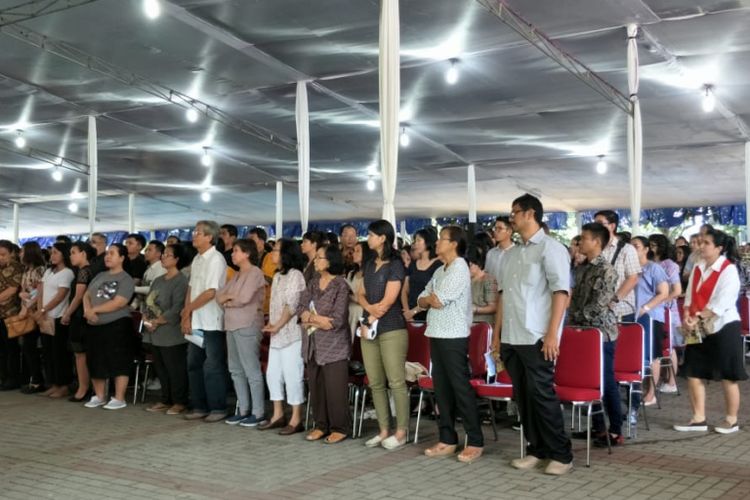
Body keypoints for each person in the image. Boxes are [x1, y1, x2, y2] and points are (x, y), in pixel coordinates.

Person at [493, 194, 573, 475]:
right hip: (512, 337)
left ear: (529, 214)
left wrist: (553, 335)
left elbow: (561, 292)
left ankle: (561, 455)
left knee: (542, 396)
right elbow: (503, 297)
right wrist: (496, 337)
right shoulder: (512, 254)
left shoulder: (551, 249)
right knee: (523, 397)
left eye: (514, 212)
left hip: (537, 336)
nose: (510, 217)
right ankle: (536, 449)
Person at [418, 226, 484, 463]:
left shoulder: (459, 268)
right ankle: (447, 438)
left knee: (460, 388)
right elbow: (423, 297)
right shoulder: (440, 270)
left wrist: (429, 299)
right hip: (436, 333)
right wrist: (427, 300)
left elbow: (436, 300)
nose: (436, 243)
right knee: (442, 389)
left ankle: (475, 440)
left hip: (454, 336)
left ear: (454, 243)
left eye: (441, 239)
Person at [674, 229, 748, 434]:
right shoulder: (698, 267)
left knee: (727, 374)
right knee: (693, 371)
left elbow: (722, 303)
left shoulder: (728, 270)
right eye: (699, 242)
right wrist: (687, 316)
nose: (700, 246)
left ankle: (731, 420)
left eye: (706, 243)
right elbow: (688, 297)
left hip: (724, 326)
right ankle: (698, 418)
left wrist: (696, 317)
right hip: (697, 326)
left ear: (719, 247)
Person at [567, 223, 623, 447]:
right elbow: (575, 298)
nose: (580, 242)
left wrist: (577, 320)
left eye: (584, 238)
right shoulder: (581, 268)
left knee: (606, 381)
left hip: (601, 333)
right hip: (582, 331)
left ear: (597, 242)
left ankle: (616, 430)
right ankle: (598, 427)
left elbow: (599, 305)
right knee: (589, 380)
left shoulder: (607, 270)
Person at [358, 220, 409, 450]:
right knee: (376, 382)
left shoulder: (395, 263)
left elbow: (389, 300)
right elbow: (360, 293)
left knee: (396, 381)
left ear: (383, 238)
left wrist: (374, 313)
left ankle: (401, 431)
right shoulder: (369, 263)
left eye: (371, 235)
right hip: (369, 326)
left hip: (391, 327)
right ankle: (383, 429)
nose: (367, 238)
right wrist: (369, 311)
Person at [296, 244, 352, 444]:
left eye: (320, 257)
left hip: (334, 346)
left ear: (331, 261)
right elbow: (300, 308)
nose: (315, 261)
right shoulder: (312, 283)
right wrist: (316, 319)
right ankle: (321, 425)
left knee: (334, 389)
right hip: (312, 343)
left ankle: (340, 427)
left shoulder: (340, 285)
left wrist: (310, 319)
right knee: (316, 387)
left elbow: (337, 320)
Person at [182, 220, 229, 422]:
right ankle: (199, 406)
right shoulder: (197, 259)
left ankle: (218, 407)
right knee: (193, 364)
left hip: (212, 321)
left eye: (198, 232)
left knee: (213, 366)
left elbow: (211, 292)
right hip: (196, 320)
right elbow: (191, 289)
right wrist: (186, 314)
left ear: (210, 237)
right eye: (194, 232)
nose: (194, 235)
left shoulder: (216, 259)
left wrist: (188, 309)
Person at [216, 240, 267, 427]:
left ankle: (258, 411)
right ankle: (243, 409)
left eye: (236, 251)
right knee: (235, 370)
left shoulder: (255, 273)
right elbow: (218, 296)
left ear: (247, 253)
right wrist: (229, 299)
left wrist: (228, 299)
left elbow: (244, 299)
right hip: (231, 324)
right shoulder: (237, 275)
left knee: (251, 369)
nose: (232, 254)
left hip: (247, 325)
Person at [260, 239, 307, 435]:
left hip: (291, 334)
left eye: (277, 250)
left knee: (292, 376)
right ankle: (277, 414)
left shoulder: (296, 275)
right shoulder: (278, 275)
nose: (273, 253)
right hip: (277, 333)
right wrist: (273, 325)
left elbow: (292, 305)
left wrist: (277, 325)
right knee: (273, 374)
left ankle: (296, 418)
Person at [82, 244, 135, 410]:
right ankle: (99, 395)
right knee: (95, 359)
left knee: (118, 360)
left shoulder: (126, 278)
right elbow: (86, 295)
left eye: (112, 253)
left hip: (117, 325)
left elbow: (119, 302)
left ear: (122, 258)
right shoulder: (100, 275)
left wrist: (94, 310)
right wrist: (87, 311)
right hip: (95, 324)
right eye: (106, 253)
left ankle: (119, 398)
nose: (107, 256)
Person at [143, 244, 190, 415]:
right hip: (154, 332)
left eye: (168, 255)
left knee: (175, 368)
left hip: (171, 332)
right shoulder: (158, 280)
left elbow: (177, 307)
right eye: (163, 254)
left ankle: (180, 401)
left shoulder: (181, 280)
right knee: (161, 368)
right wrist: (147, 318)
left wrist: (157, 321)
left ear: (177, 259)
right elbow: (148, 301)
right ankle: (165, 399)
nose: (163, 257)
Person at [631, 236, 669, 409]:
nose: (632, 249)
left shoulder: (654, 268)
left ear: (646, 249)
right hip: (632, 318)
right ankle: (636, 389)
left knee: (653, 356)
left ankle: (651, 393)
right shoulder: (629, 268)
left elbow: (663, 292)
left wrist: (645, 308)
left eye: (636, 246)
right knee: (636, 355)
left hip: (651, 317)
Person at [34, 243, 75, 398]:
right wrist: (40, 309)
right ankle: (53, 383)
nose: (52, 256)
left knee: (59, 353)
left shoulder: (67, 273)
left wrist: (44, 310)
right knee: (48, 352)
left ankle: (63, 385)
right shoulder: (49, 271)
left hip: (58, 316)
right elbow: (41, 290)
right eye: (52, 253)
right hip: (45, 316)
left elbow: (61, 295)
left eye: (56, 253)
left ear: (63, 254)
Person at [61, 242, 96, 402]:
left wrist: (67, 313)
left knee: (80, 355)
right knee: (83, 354)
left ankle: (83, 388)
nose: (71, 256)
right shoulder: (91, 270)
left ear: (84, 254)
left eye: (74, 252)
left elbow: (78, 296)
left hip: (80, 316)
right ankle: (87, 387)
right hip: (85, 316)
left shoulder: (84, 271)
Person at [648, 233, 683, 393]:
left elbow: (677, 290)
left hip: (667, 309)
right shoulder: (649, 263)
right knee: (661, 345)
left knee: (669, 346)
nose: (651, 248)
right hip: (655, 309)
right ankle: (663, 377)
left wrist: (661, 300)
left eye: (654, 245)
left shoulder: (669, 265)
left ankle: (671, 380)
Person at [594, 210, 641, 323]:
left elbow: (633, 278)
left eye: (600, 223)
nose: (595, 227)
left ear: (612, 226)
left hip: (621, 310)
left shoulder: (626, 249)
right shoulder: (594, 249)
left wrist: (613, 301)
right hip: (596, 311)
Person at [18, 242, 47, 394]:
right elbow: (24, 289)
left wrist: (27, 306)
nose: (20, 254)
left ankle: (37, 380)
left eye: (22, 251)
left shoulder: (40, 270)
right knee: (27, 347)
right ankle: (33, 378)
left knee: (31, 346)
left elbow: (39, 292)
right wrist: (22, 297)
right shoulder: (26, 270)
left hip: (36, 312)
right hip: (27, 310)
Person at [401, 228, 441, 323]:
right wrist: (407, 311)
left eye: (419, 240)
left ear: (428, 242)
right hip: (410, 315)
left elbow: (435, 294)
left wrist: (413, 311)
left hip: (429, 315)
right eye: (415, 240)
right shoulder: (413, 264)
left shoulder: (438, 265)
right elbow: (405, 290)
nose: (415, 244)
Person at [0, 240, 24, 390]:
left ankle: (13, 378)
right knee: (1, 349)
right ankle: (3, 376)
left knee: (11, 348)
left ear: (12, 254)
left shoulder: (16, 268)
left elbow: (12, 290)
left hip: (11, 314)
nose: (0, 257)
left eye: (3, 254)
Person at [346, 242, 375, 340]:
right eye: (354, 251)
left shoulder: (371, 273)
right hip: (349, 308)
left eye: (358, 251)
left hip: (362, 310)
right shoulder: (351, 273)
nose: (354, 253)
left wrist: (350, 295)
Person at [247, 227, 276, 314]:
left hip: (265, 306)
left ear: (262, 241)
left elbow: (268, 280)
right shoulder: (249, 258)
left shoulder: (269, 257)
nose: (248, 242)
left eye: (251, 239)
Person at [466, 245, 497, 323]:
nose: (467, 268)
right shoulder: (465, 280)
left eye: (470, 265)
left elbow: (493, 307)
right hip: (466, 324)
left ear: (479, 263)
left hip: (482, 324)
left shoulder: (488, 280)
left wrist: (476, 309)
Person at [484, 216, 514, 287]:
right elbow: (487, 275)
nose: (495, 231)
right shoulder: (491, 253)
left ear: (509, 231)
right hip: (492, 295)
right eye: (495, 228)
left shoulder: (517, 253)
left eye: (500, 229)